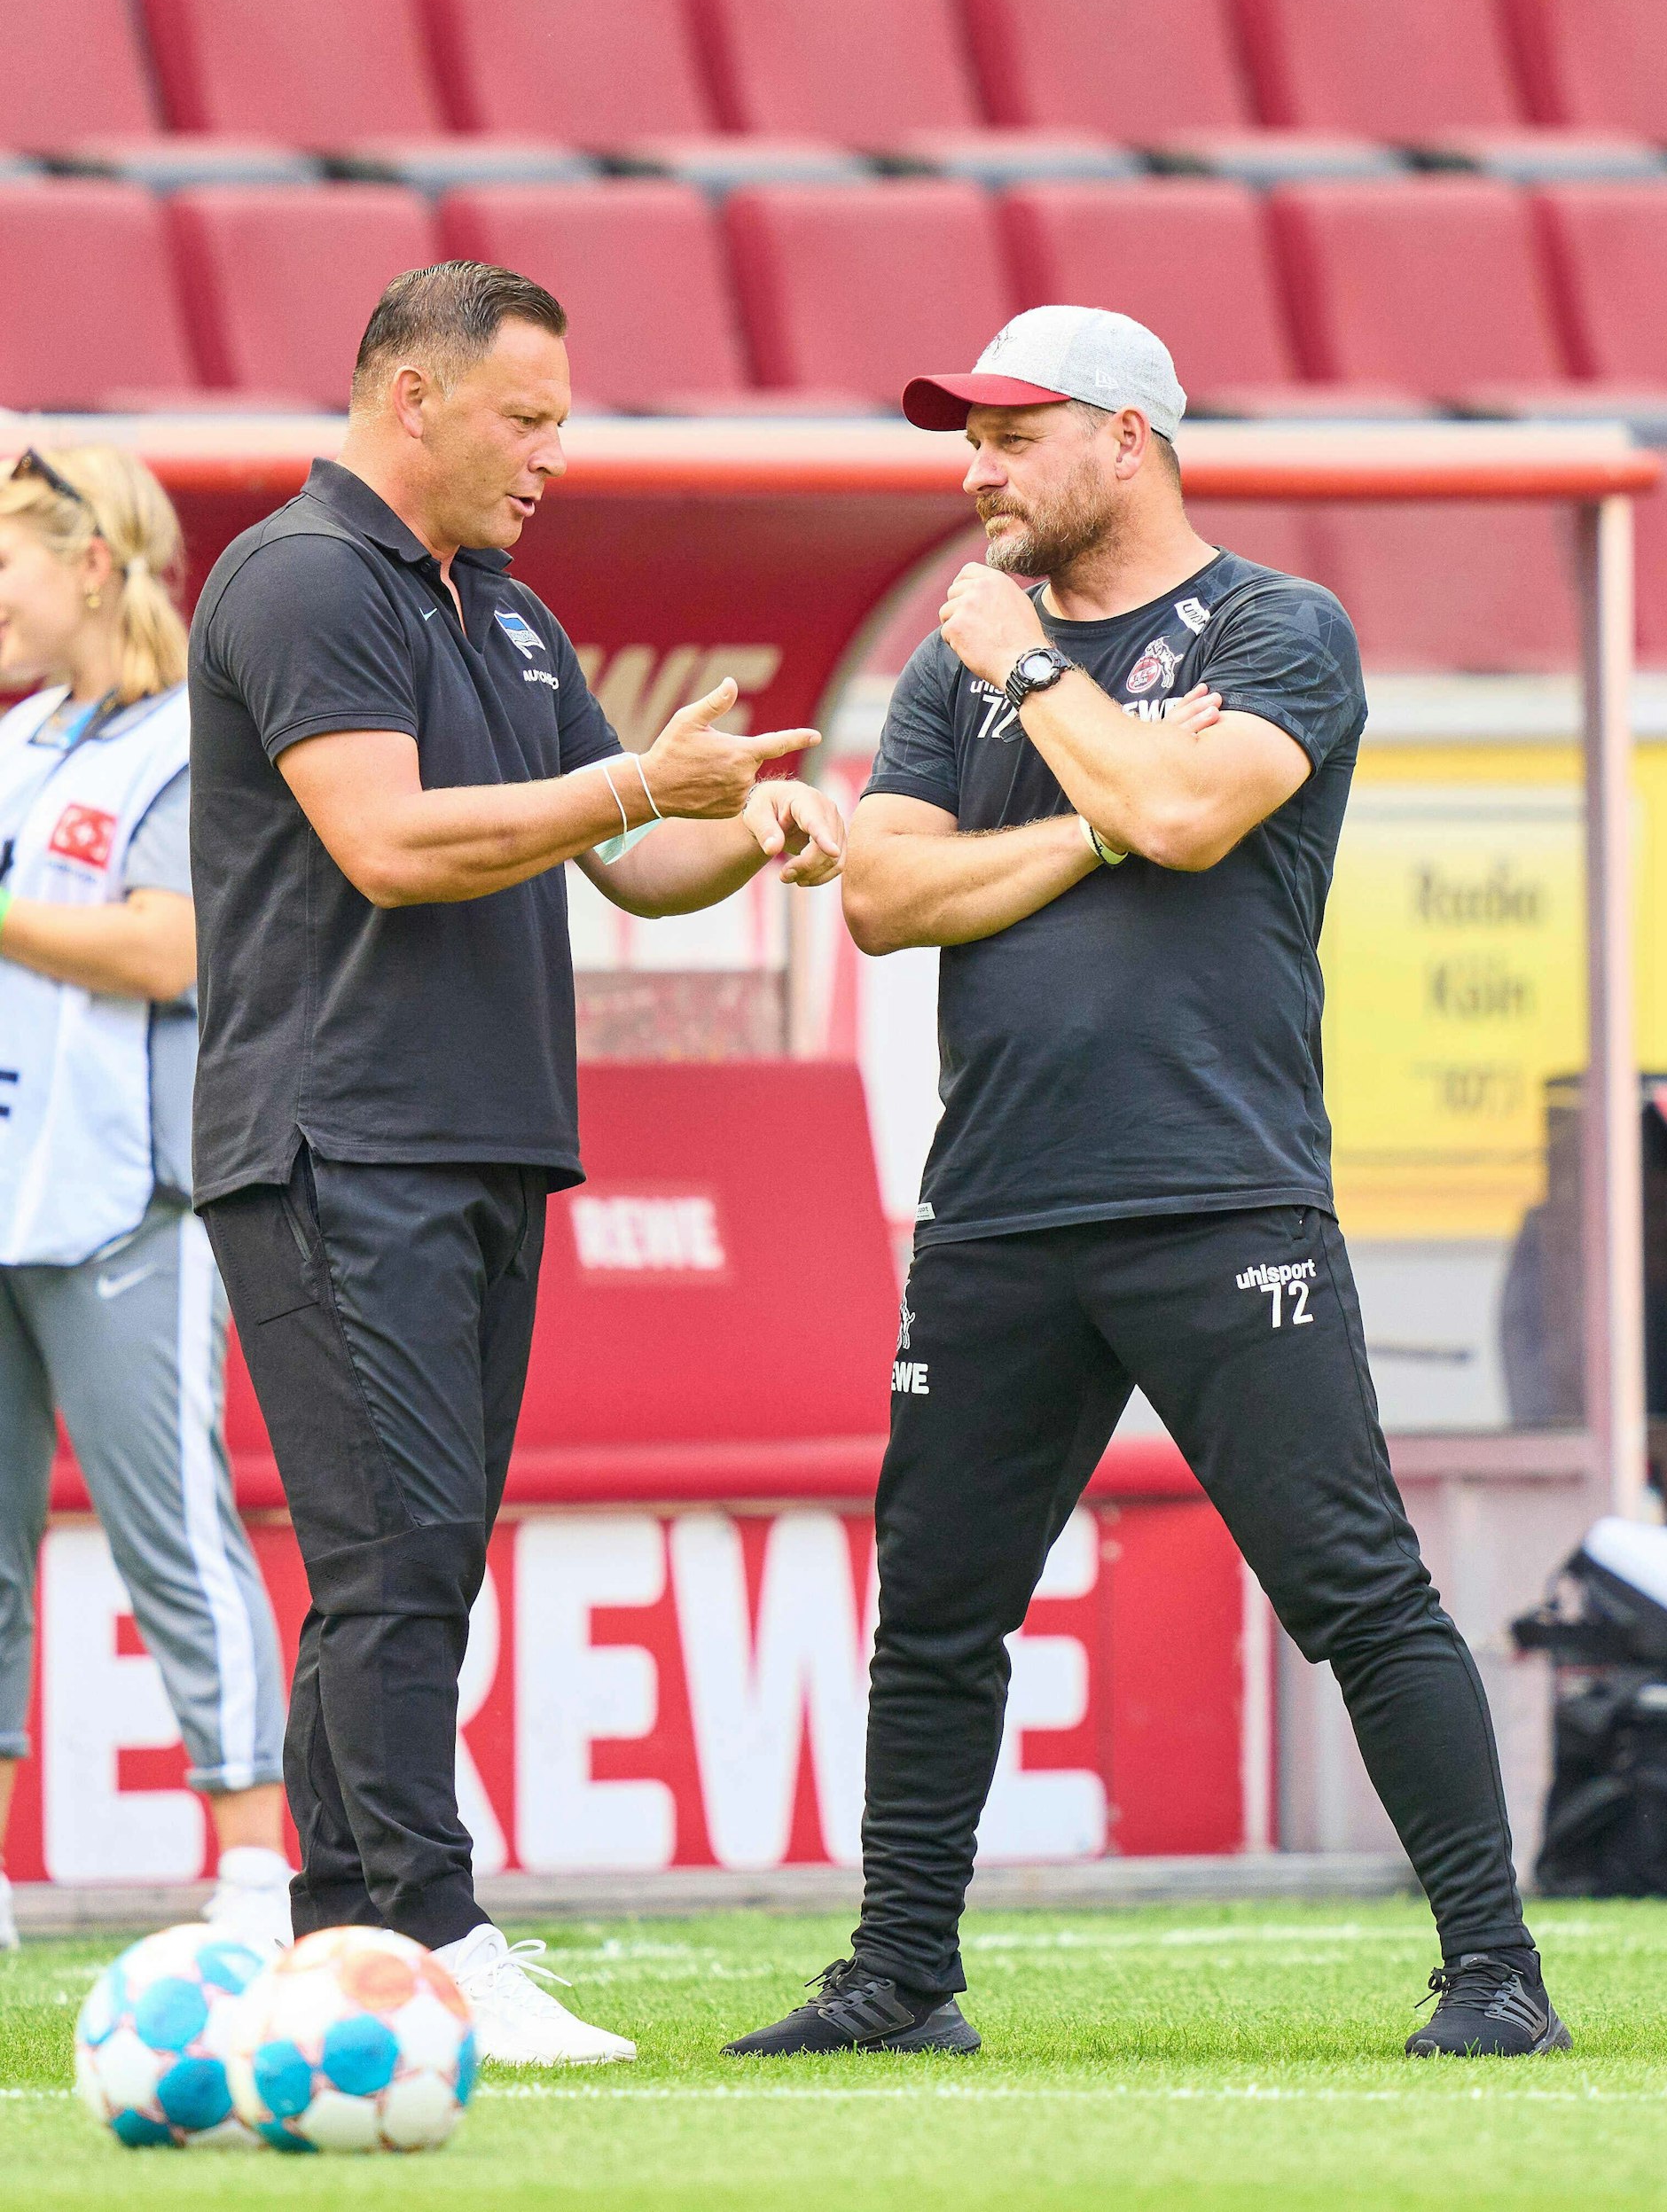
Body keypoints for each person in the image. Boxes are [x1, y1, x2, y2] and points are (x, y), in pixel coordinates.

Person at [724, 306, 1569, 2063]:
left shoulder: (1274, 629)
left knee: (1351, 1585)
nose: (975, 470)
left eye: (1012, 435)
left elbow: (1197, 822)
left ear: (1127, 437)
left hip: (1220, 1195)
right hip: (998, 1201)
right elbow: (887, 898)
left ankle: (1493, 1970)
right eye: (966, 436)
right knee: (937, 1606)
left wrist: (1046, 696)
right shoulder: (960, 662)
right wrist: (1100, 806)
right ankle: (900, 1977)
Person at [188, 261, 847, 2064]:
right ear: (413, 395)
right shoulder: (304, 576)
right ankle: (428, 1929)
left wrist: (741, 827)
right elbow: (390, 841)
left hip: (477, 1142)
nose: (554, 452)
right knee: (396, 1553)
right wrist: (641, 789)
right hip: (335, 1139)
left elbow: (629, 868)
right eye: (525, 417)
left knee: (415, 1560)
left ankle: (343, 1939)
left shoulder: (509, 612)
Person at [0, 445, 291, 1953]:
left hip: (127, 1195)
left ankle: (251, 1871)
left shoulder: (188, 740)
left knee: (170, 1532)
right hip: (5, 1186)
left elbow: (171, 951)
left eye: (7, 562)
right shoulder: (22, 737)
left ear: (96, 564)